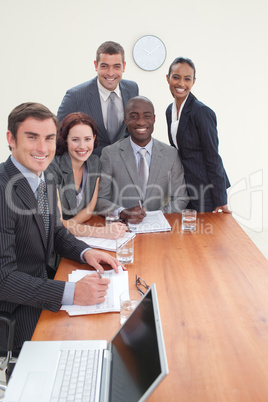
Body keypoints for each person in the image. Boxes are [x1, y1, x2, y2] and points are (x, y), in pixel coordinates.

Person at [0, 102, 123, 353]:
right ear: (11, 138)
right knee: (84, 347)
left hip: (42, 286)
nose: (42, 148)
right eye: (32, 137)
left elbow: (55, 230)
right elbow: (4, 279)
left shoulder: (45, 176)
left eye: (49, 138)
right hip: (14, 308)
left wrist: (85, 252)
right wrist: (72, 292)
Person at [96, 96, 189, 223]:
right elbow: (100, 199)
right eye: (134, 116)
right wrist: (122, 213)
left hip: (159, 229)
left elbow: (181, 197)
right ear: (125, 120)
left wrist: (160, 216)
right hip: (122, 227)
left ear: (154, 119)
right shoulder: (110, 154)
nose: (141, 122)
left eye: (147, 116)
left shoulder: (170, 154)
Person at [47, 112, 127, 239]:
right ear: (65, 139)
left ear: (94, 138)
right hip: (53, 243)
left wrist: (70, 227)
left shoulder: (94, 162)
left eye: (87, 139)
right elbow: (57, 222)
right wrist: (101, 232)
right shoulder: (52, 167)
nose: (82, 146)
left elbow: (89, 210)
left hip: (74, 235)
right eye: (75, 140)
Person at [166, 57, 231, 213]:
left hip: (206, 189)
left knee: (206, 235)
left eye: (187, 79)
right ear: (168, 79)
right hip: (185, 188)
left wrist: (220, 198)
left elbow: (213, 156)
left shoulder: (201, 112)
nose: (181, 84)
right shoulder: (170, 110)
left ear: (193, 82)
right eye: (176, 77)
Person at [57, 41, 139, 156]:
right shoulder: (74, 96)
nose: (110, 73)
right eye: (104, 66)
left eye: (116, 66)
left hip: (122, 165)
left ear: (124, 67)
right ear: (96, 65)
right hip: (88, 167)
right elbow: (59, 137)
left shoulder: (132, 89)